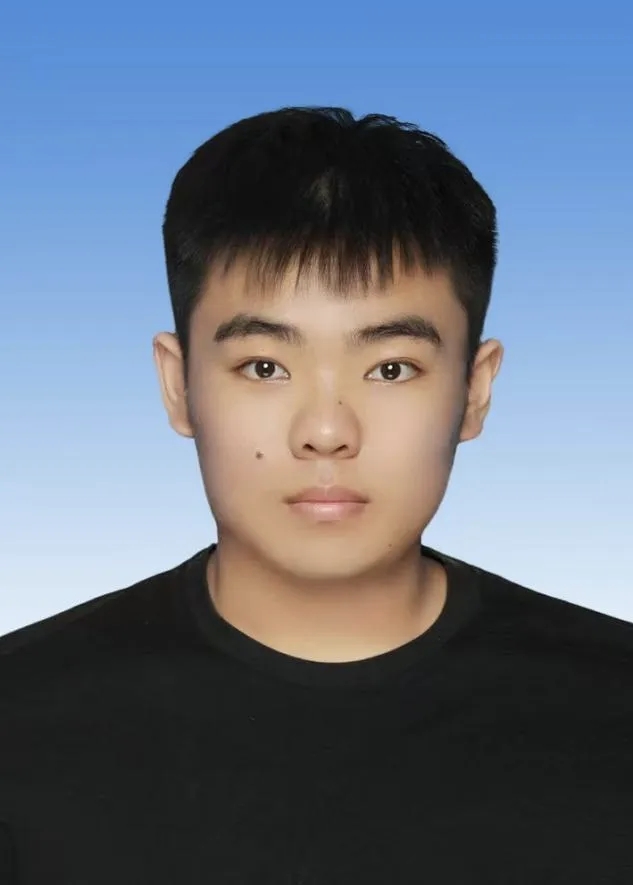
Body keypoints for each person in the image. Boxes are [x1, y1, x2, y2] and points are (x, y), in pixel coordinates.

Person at [1, 106, 631, 884]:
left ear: (473, 390)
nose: (326, 430)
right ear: (178, 385)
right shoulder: (19, 720)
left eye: (391, 368)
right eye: (264, 366)